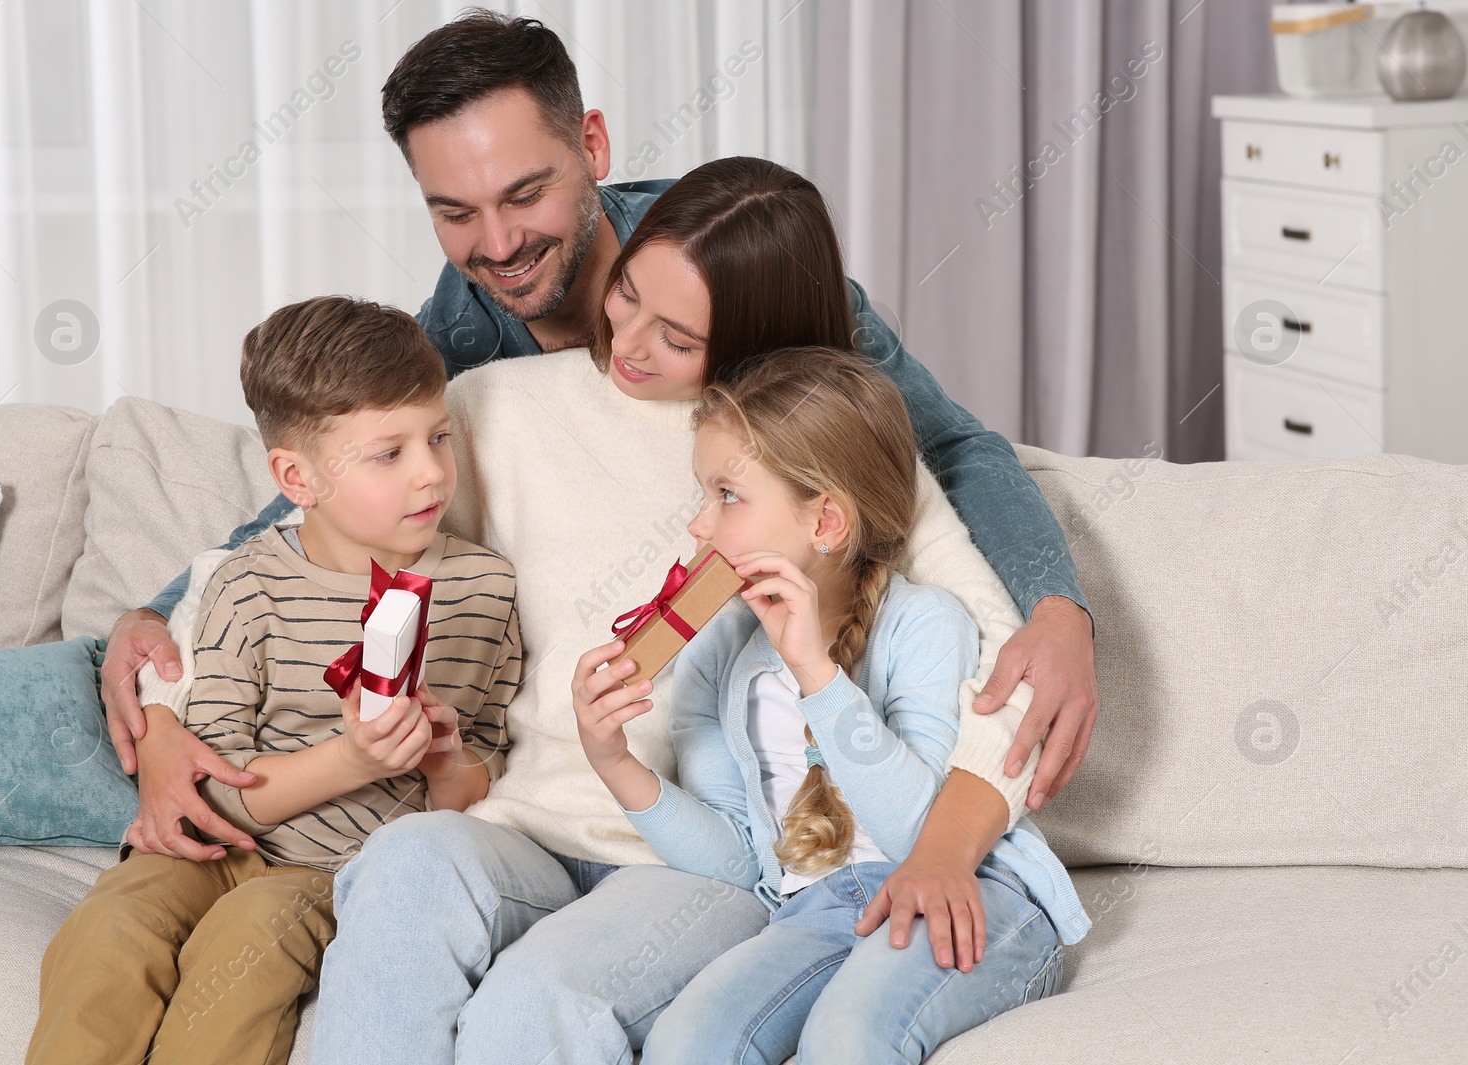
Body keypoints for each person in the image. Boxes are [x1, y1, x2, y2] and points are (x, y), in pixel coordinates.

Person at [101, 10, 1098, 873]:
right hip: (464, 761)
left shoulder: (758, 280)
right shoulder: (462, 331)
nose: (496, 245)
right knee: (79, 696)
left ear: (593, 144)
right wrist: (159, 633)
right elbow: (335, 480)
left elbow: (943, 452)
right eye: (455, 212)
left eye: (524, 195)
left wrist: (1056, 609)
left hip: (724, 783)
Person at [303, 157, 1073, 1064]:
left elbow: (998, 669)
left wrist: (1063, 615)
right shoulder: (489, 409)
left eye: (676, 337)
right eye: (625, 296)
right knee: (402, 867)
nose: (626, 343)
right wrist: (165, 664)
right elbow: (322, 509)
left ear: (756, 339)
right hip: (524, 824)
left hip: (683, 866)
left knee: (536, 1006)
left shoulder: (837, 454)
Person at [25, 297, 521, 1065]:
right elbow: (212, 789)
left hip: (334, 871)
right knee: (106, 931)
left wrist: (445, 760)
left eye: (440, 437)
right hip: (210, 844)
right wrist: (352, 759)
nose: (431, 472)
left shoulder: (482, 590)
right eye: (389, 453)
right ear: (298, 477)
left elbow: (481, 785)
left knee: (251, 936)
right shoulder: (247, 586)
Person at [574, 349, 1088, 1065]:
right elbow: (741, 862)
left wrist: (815, 674)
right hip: (813, 911)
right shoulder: (727, 658)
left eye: (726, 496)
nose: (699, 526)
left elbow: (922, 841)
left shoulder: (925, 624)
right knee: (686, 1043)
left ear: (826, 523)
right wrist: (614, 762)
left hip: (972, 891)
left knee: (846, 1035)